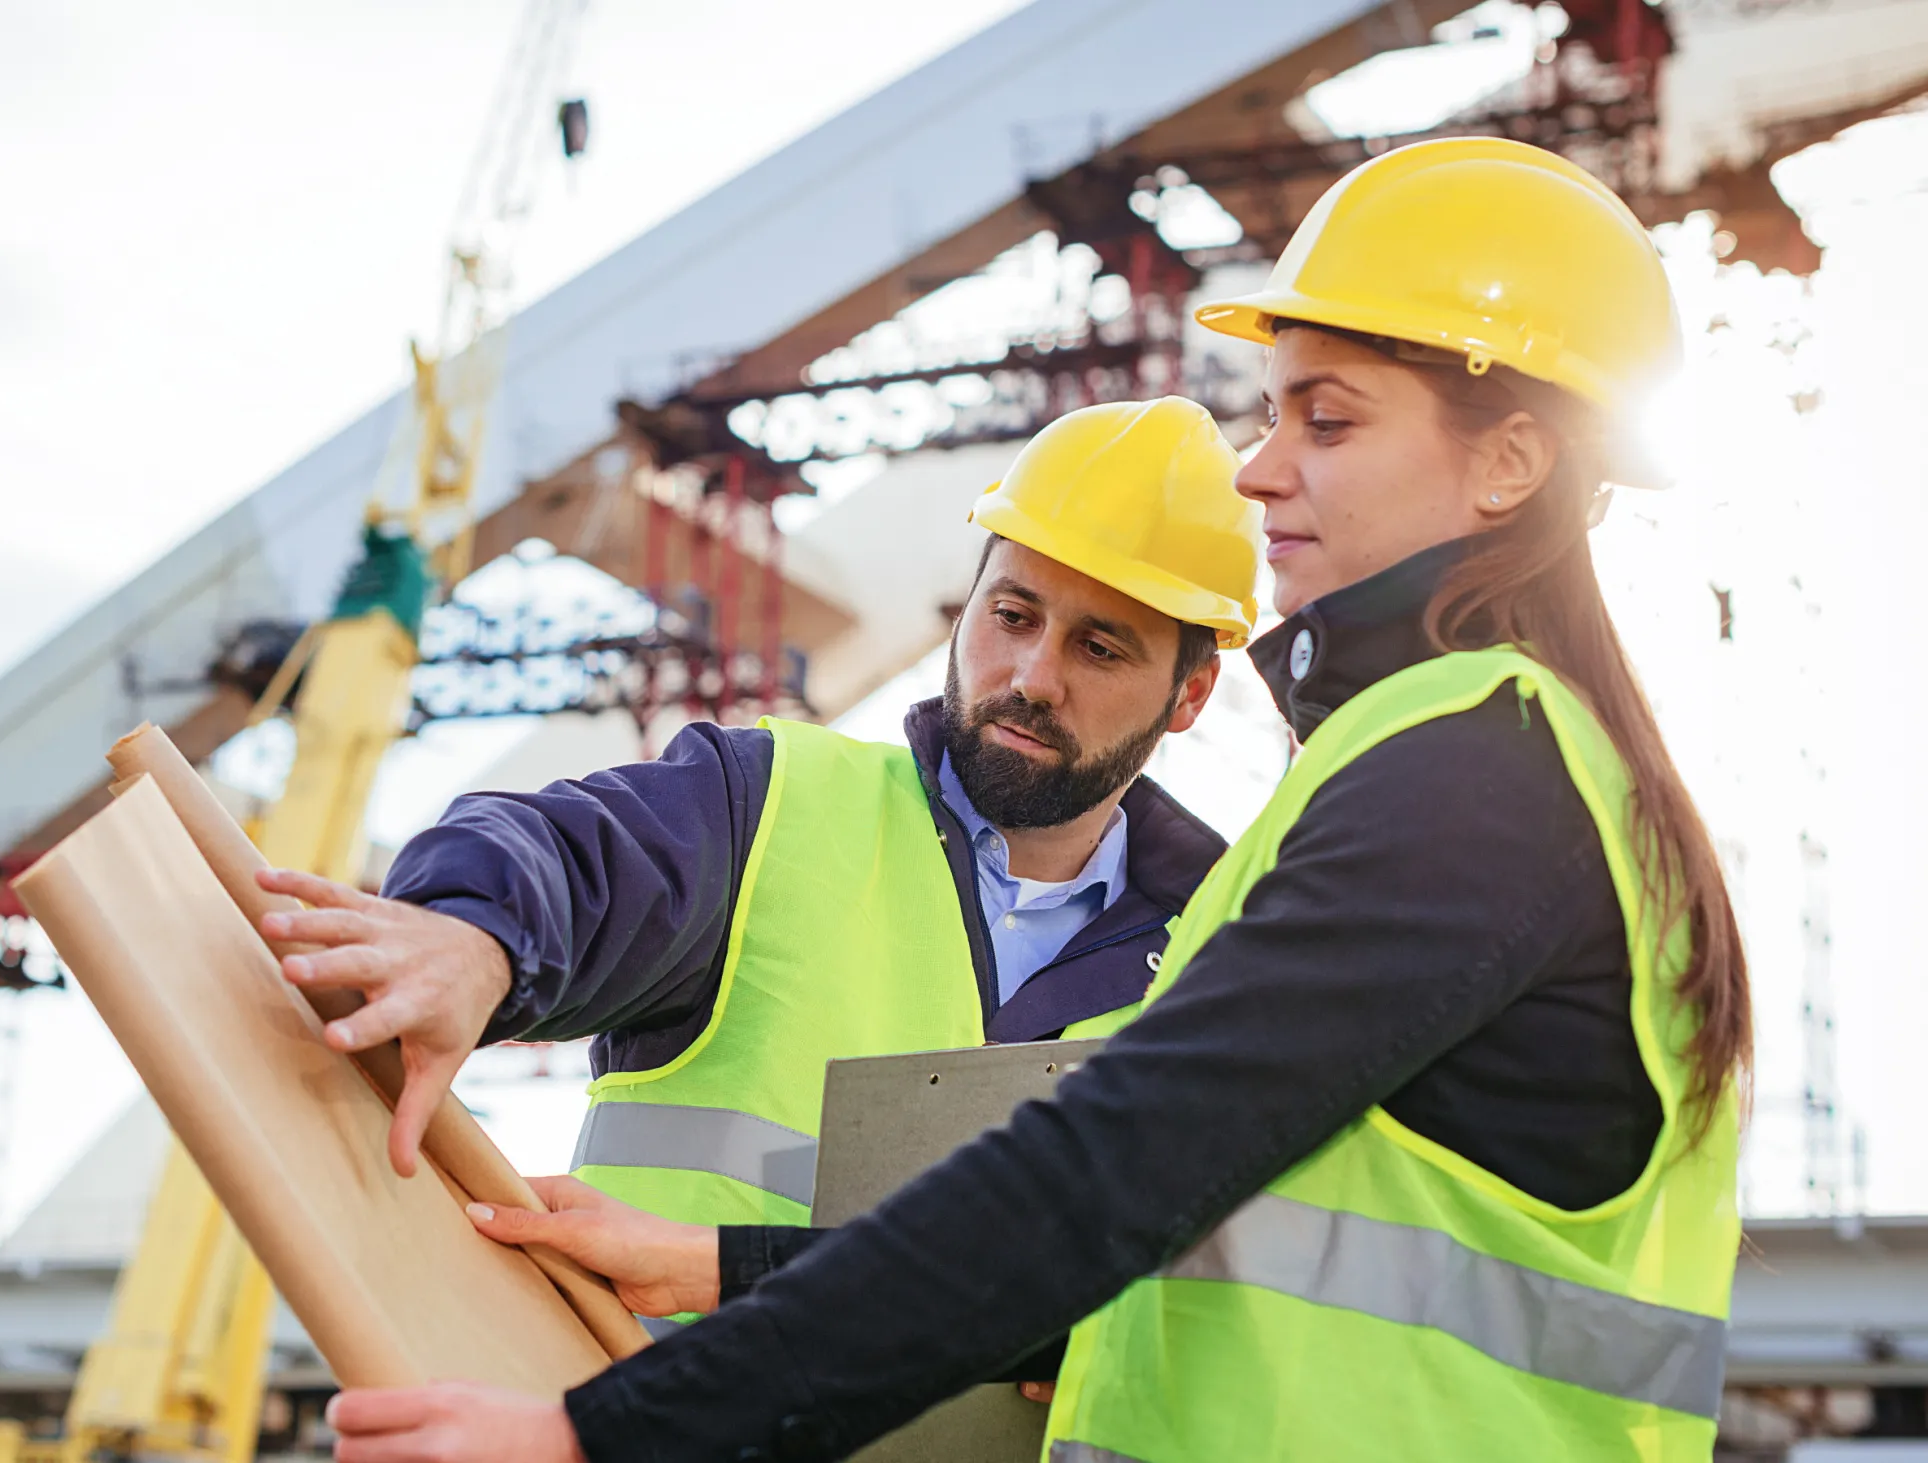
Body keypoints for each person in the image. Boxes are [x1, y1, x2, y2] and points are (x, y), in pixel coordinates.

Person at [323, 136, 1751, 1463]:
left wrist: (604, 1435)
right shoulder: (1501, 769)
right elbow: (1176, 1230)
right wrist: (714, 1262)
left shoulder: (1468, 777)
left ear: (1508, 462)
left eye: (1328, 419)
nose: (1263, 469)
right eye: (1272, 415)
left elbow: (1105, 1176)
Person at [258, 395, 1264, 1252]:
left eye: (1098, 646)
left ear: (1188, 695)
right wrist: (475, 935)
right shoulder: (769, 803)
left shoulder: (1227, 963)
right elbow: (569, 857)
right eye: (1010, 616)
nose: (1031, 677)